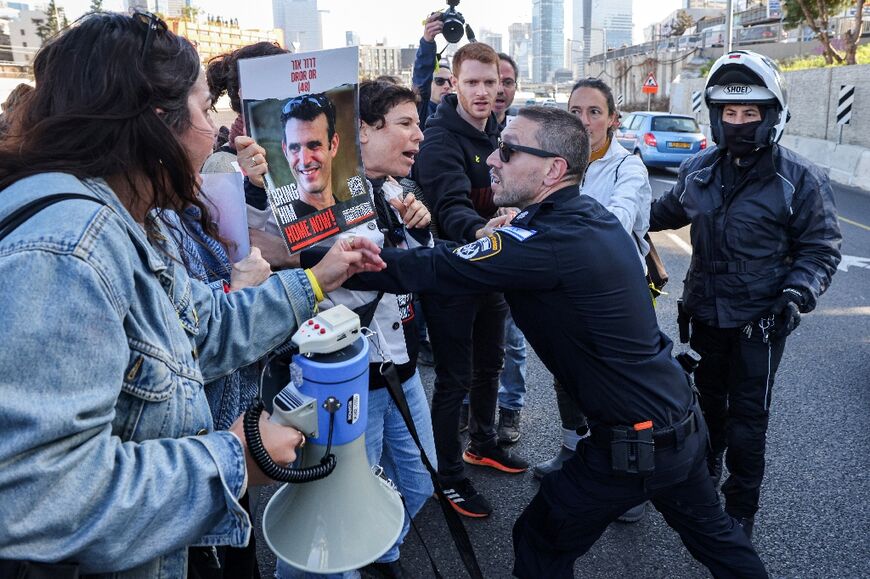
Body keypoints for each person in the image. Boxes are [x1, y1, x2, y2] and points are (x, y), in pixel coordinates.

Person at [0, 12, 383, 577]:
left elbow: (199, 328)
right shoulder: (67, 254)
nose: (217, 132)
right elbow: (40, 499)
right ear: (159, 124)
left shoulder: (128, 217)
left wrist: (317, 278)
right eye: (207, 110)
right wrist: (234, 459)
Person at [343, 105, 769, 578]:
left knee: (539, 543)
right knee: (718, 540)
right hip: (677, 424)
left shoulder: (544, 240)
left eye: (507, 150)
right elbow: (458, 256)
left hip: (634, 445)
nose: (491, 160)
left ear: (553, 169)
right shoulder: (578, 219)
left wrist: (317, 259)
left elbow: (432, 271)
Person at [649, 50, 842, 539]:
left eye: (749, 113)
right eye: (729, 113)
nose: (737, 123)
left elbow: (820, 248)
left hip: (762, 317)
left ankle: (740, 512)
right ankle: (703, 481)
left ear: (770, 115)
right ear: (715, 116)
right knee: (704, 406)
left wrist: (798, 292)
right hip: (704, 311)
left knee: (748, 421)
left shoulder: (800, 178)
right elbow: (659, 214)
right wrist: (598, 216)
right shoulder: (697, 169)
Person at [275, 80, 435, 579]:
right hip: (343, 388)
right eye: (406, 124)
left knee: (419, 484)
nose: (419, 136)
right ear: (362, 132)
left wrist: (422, 230)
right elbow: (343, 269)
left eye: (418, 123)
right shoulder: (308, 204)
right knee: (331, 518)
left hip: (402, 371)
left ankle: (381, 554)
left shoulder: (396, 191)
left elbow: (407, 269)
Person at [412, 41, 527, 519]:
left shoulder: (497, 131)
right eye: (473, 82)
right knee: (453, 379)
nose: (484, 92)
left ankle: (482, 443)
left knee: (491, 365)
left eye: (492, 82)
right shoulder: (441, 139)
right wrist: (481, 228)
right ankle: (447, 476)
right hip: (454, 275)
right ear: (454, 84)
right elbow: (452, 205)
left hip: (492, 274)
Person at [533, 77, 652, 525]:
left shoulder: (628, 168)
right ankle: (570, 450)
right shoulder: (555, 161)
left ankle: (632, 483)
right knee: (568, 377)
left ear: (613, 120)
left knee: (621, 390)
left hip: (616, 298)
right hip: (568, 293)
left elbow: (616, 224)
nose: (583, 121)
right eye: (575, 112)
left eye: (594, 112)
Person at [491, 51, 526, 445]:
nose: (499, 90)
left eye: (507, 82)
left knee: (514, 343)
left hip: (514, 250)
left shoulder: (523, 133)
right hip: (476, 247)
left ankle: (510, 410)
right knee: (476, 342)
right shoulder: (465, 130)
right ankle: (473, 406)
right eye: (492, 80)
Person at [411, 12, 454, 128]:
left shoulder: (460, 113)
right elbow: (422, 73)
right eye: (440, 81)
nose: (447, 86)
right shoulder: (420, 111)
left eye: (450, 81)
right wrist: (427, 40)